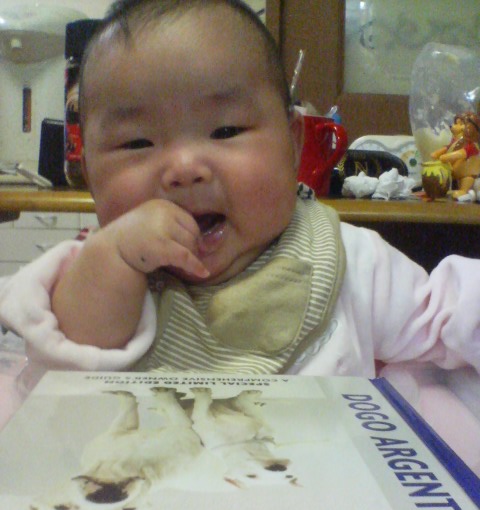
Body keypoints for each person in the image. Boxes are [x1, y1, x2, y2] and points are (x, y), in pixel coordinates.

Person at [0, 0, 479, 398]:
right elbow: (70, 361)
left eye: (225, 130)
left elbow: (443, 318)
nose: (184, 168)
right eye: (137, 142)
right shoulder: (102, 270)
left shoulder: (348, 260)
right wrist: (115, 258)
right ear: (88, 174)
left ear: (293, 145)